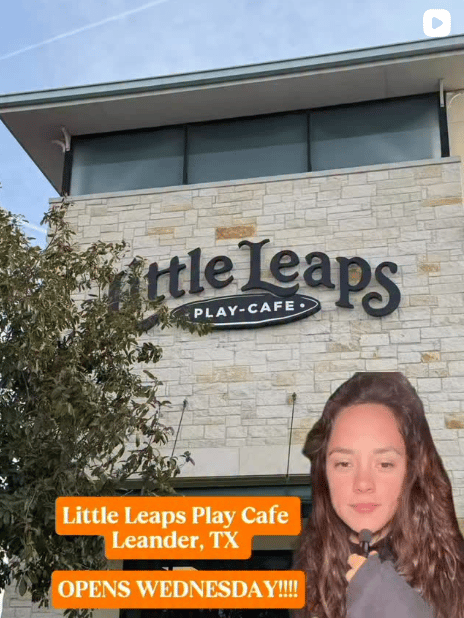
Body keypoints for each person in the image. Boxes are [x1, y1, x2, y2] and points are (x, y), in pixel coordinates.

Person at [293, 372, 464, 618]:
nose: (363, 483)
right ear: (324, 473)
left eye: (384, 464)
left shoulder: (453, 576)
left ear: (412, 470)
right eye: (344, 463)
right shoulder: (307, 574)